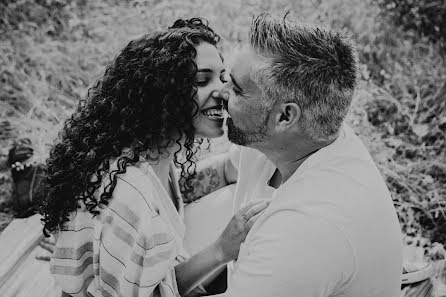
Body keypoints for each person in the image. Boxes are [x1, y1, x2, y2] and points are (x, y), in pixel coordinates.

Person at [38, 18, 269, 297]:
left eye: (222, 77)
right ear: (163, 91)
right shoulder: (130, 194)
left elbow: (176, 192)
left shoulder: (152, 152)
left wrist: (240, 165)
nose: (223, 92)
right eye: (202, 80)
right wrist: (222, 250)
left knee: (232, 195)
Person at [185, 13, 404, 297]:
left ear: (285, 116)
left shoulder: (303, 230)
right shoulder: (293, 138)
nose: (221, 93)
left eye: (237, 89)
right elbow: (227, 170)